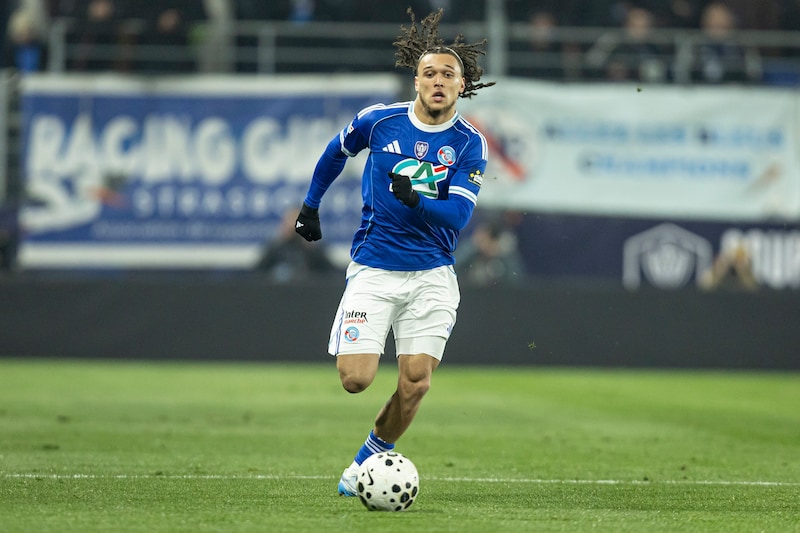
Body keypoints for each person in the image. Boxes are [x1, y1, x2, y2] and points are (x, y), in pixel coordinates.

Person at [292, 8, 494, 497]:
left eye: (448, 74)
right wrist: (310, 206)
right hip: (375, 269)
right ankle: (369, 455)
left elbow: (458, 217)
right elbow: (335, 151)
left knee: (416, 381)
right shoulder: (379, 121)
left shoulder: (470, 143)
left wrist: (417, 200)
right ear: (416, 81)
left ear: (463, 85)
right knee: (355, 379)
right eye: (430, 73)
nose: (438, 81)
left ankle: (365, 461)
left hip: (432, 275)